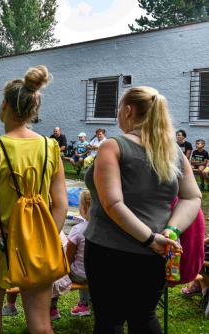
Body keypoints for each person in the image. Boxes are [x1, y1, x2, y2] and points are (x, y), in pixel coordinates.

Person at [84, 86, 202, 333]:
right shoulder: (172, 152)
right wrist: (169, 231)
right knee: (144, 317)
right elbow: (192, 198)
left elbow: (113, 203)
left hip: (109, 252)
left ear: (127, 110)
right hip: (156, 254)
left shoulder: (112, 147)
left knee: (109, 321)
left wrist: (149, 239)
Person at [0, 65, 67, 334]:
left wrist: (2, 241)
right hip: (36, 250)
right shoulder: (51, 147)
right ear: (34, 110)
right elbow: (60, 204)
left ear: (5, 106)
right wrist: (43, 240)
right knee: (41, 326)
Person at [1, 231, 73, 320]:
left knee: (16, 269)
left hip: (37, 280)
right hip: (58, 276)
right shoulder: (59, 232)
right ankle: (52, 308)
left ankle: (10, 305)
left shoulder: (32, 233)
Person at [52, 190, 92, 318]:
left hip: (78, 274)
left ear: (84, 209)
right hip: (99, 274)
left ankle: (52, 309)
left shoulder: (78, 229)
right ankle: (84, 305)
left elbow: (68, 257)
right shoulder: (105, 229)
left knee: (55, 274)